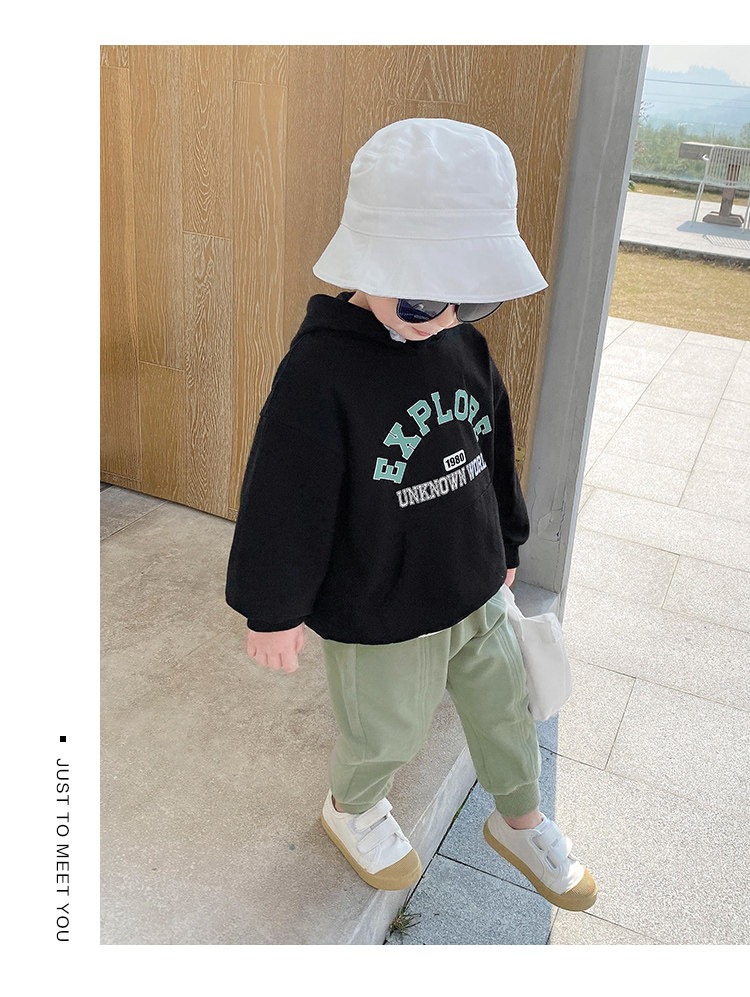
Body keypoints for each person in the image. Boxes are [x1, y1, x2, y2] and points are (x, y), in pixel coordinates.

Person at [225, 118, 597, 912]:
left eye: (470, 295)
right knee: (387, 730)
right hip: (382, 604)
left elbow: (490, 443)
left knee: (506, 705)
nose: (445, 314)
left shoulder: (460, 342)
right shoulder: (323, 371)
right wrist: (273, 607)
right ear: (369, 260)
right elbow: (285, 493)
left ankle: (521, 819)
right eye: (425, 294)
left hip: (472, 582)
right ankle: (352, 806)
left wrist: (509, 539)